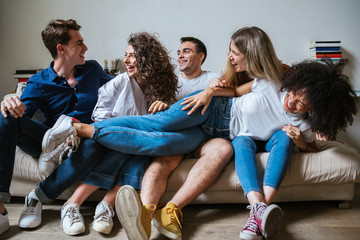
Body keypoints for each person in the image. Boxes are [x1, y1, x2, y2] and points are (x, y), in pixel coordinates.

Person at [41, 28, 357, 240]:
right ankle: (78, 127)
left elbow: (315, 143)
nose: (295, 101)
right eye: (298, 93)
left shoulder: (300, 120)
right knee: (156, 127)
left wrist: (303, 140)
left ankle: (157, 214)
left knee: (160, 142)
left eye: (304, 103)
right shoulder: (272, 81)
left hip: (213, 134)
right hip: (209, 111)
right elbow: (232, 90)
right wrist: (208, 94)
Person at [57, 32, 178, 236]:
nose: (126, 60)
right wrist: (126, 131)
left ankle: (105, 207)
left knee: (141, 156)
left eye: (132, 56)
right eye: (126, 55)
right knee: (127, 149)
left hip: (140, 145)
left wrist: (166, 107)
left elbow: (165, 123)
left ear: (147, 60)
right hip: (113, 138)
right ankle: (71, 205)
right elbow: (100, 117)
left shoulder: (159, 88)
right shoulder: (120, 82)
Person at [0, 19, 112, 236]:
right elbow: (22, 115)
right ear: (61, 49)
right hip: (51, 142)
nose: (85, 48)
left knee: (97, 142)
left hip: (85, 140)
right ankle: (0, 209)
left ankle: (36, 197)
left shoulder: (93, 70)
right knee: (6, 116)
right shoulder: (38, 82)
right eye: (79, 43)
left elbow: (119, 87)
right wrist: (6, 104)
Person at [116, 36, 235, 240]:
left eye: (187, 51)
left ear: (201, 56)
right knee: (162, 160)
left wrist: (211, 90)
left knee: (223, 149)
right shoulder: (171, 82)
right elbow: (162, 113)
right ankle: (144, 216)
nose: (180, 55)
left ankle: (171, 210)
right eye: (179, 52)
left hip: (206, 136)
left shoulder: (213, 78)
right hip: (180, 137)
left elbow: (233, 94)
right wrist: (162, 104)